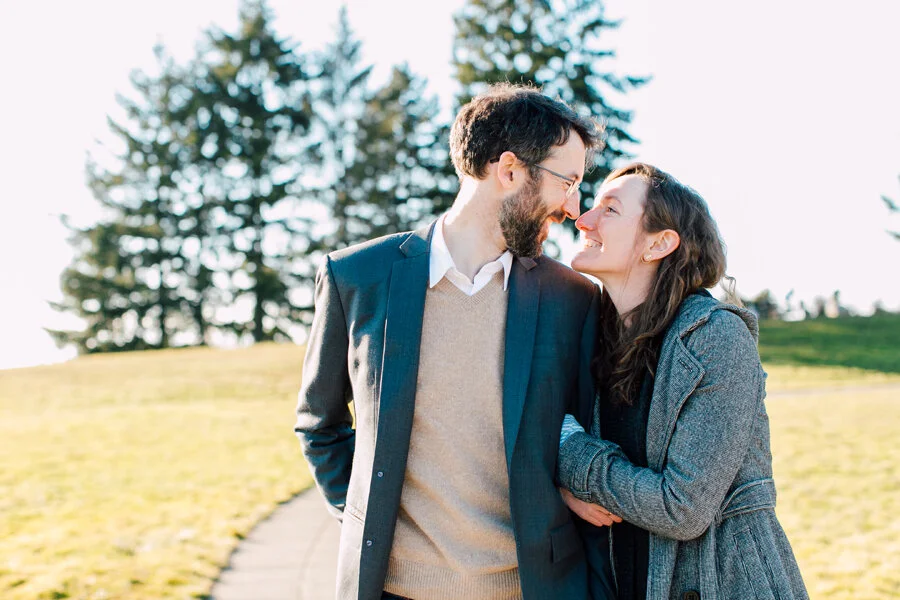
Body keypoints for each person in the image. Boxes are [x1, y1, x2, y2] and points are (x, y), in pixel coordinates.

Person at [295, 83, 611, 599]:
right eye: (568, 182)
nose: (574, 208)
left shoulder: (572, 298)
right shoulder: (356, 278)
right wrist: (363, 520)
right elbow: (320, 425)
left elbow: (585, 429)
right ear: (509, 171)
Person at [556, 163, 809, 600]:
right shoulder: (592, 336)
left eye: (610, 210)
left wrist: (572, 455)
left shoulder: (716, 337)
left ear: (659, 243)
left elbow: (682, 508)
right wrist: (565, 486)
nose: (583, 220)